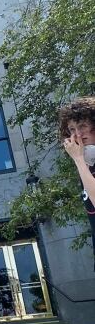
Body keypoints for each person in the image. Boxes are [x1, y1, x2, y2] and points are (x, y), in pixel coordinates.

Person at [59, 96, 95, 271]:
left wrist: (79, 160)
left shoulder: (83, 162)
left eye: (82, 126)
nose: (77, 134)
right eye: (72, 129)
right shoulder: (89, 163)